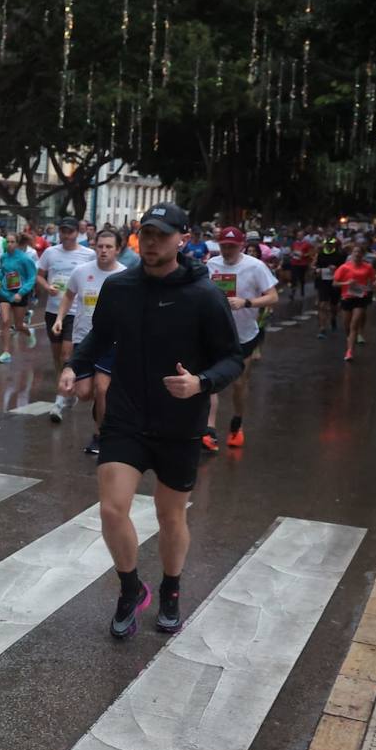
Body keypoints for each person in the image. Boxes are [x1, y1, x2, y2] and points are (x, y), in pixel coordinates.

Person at [60, 203, 243, 639]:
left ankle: (172, 590)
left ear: (182, 238)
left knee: (170, 515)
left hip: (179, 421)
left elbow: (231, 358)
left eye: (163, 234)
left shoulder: (204, 295)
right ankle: (130, 588)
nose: (153, 242)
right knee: (111, 509)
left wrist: (200, 383)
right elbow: (99, 337)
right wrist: (74, 366)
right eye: (147, 233)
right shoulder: (121, 287)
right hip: (125, 415)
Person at [200, 226, 278, 450]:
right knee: (210, 381)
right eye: (224, 245)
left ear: (242, 246)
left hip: (244, 335)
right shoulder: (211, 266)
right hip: (216, 333)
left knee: (239, 383)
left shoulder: (255, 266)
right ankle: (210, 431)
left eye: (232, 246)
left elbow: (273, 297)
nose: (227, 250)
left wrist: (246, 302)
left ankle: (237, 423)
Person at [52, 228, 126, 455]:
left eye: (108, 247)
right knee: (84, 393)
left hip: (111, 342)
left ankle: (100, 435)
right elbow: (68, 295)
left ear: (118, 249)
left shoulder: (125, 275)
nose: (103, 251)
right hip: (83, 339)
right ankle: (99, 409)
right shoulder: (81, 271)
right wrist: (60, 318)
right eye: (99, 246)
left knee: (102, 389)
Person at [37, 218, 96, 420]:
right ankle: (66, 388)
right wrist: (46, 288)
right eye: (63, 231)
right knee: (56, 357)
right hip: (53, 311)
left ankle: (59, 401)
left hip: (75, 312)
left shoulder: (88, 254)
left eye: (69, 231)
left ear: (76, 233)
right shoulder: (50, 252)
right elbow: (40, 275)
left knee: (66, 355)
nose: (66, 235)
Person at [0, 235, 37, 364]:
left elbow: (32, 278)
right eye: (8, 242)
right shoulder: (4, 257)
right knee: (5, 321)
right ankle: (6, 353)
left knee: (18, 326)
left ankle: (29, 333)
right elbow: (3, 271)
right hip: (5, 293)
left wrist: (22, 292)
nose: (10, 244)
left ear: (17, 244)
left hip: (19, 294)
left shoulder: (25, 259)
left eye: (12, 242)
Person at [334, 245, 376, 362]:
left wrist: (371, 286)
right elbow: (335, 283)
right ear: (352, 254)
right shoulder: (344, 267)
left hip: (360, 298)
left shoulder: (368, 267)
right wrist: (347, 282)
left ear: (362, 255)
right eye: (355, 252)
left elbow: (373, 281)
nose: (357, 254)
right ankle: (350, 341)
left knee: (354, 324)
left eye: (359, 252)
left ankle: (349, 351)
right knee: (347, 326)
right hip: (347, 298)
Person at [313, 235, 346, 338]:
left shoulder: (340, 255)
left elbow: (345, 269)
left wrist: (336, 269)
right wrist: (316, 270)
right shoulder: (320, 254)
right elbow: (315, 266)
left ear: (334, 245)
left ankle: (333, 318)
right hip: (323, 282)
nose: (328, 246)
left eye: (331, 244)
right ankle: (322, 328)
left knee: (333, 306)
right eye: (327, 244)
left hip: (335, 283)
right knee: (322, 305)